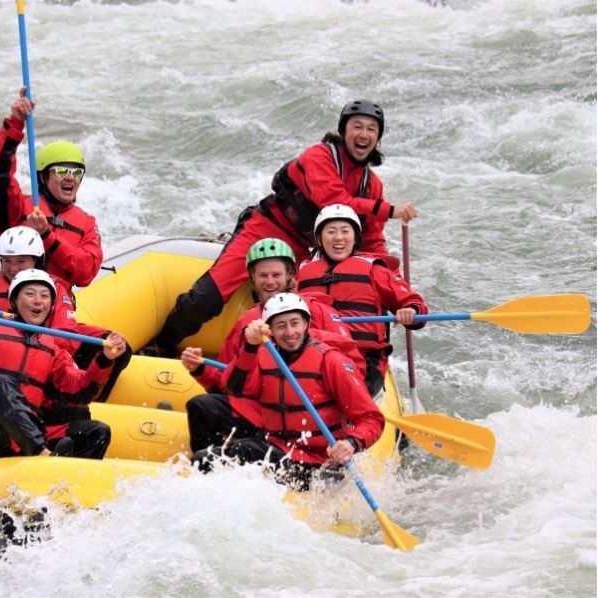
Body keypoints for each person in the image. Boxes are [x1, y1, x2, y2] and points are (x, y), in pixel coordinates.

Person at [140, 99, 416, 358]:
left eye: (371, 129)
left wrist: (396, 290)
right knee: (206, 297)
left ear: (377, 139)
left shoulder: (372, 185)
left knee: (292, 316)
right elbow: (333, 202)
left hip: (305, 251)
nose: (364, 134)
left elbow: (371, 244)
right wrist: (390, 210)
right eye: (357, 126)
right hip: (267, 227)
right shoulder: (319, 156)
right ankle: (162, 344)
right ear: (343, 130)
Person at [181, 238, 366, 454]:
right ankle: (212, 466)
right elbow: (229, 382)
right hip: (265, 412)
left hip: (312, 416)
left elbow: (354, 370)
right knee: (200, 407)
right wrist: (201, 369)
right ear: (253, 278)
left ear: (289, 276)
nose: (270, 282)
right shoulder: (247, 323)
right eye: (263, 276)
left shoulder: (319, 312)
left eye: (276, 275)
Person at [0, 269, 127, 460]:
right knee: (1, 383)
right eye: (30, 294)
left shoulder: (53, 349)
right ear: (14, 301)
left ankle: (65, 490)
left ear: (51, 305)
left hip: (19, 441)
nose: (38, 301)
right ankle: (43, 456)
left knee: (97, 432)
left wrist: (104, 360)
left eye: (45, 296)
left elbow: (79, 392)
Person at [192, 293, 385, 491]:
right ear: (271, 331)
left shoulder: (332, 361)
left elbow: (372, 419)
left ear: (306, 324)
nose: (290, 332)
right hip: (279, 448)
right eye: (281, 326)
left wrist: (351, 443)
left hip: (320, 463)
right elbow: (235, 388)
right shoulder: (263, 355)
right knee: (202, 458)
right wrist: (249, 346)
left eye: (295, 323)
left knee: (244, 449)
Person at [0, 226, 131, 403]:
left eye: (21, 262)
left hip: (46, 354)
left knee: (117, 348)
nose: (13, 269)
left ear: (37, 260)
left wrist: (38, 350)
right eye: (7, 261)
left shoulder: (52, 287)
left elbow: (65, 337)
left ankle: (90, 397)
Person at [297, 204, 428, 396]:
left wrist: (411, 311)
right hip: (314, 353)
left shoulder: (375, 270)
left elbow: (414, 303)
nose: (338, 237)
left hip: (365, 358)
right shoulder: (303, 273)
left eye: (345, 231)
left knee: (343, 392)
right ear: (319, 238)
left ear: (355, 237)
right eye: (331, 231)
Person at [0, 88, 102, 289]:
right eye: (62, 171)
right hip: (13, 303)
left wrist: (47, 235)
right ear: (43, 177)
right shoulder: (21, 209)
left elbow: (86, 272)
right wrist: (15, 123)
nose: (71, 178)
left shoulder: (87, 223)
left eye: (77, 173)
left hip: (53, 309)